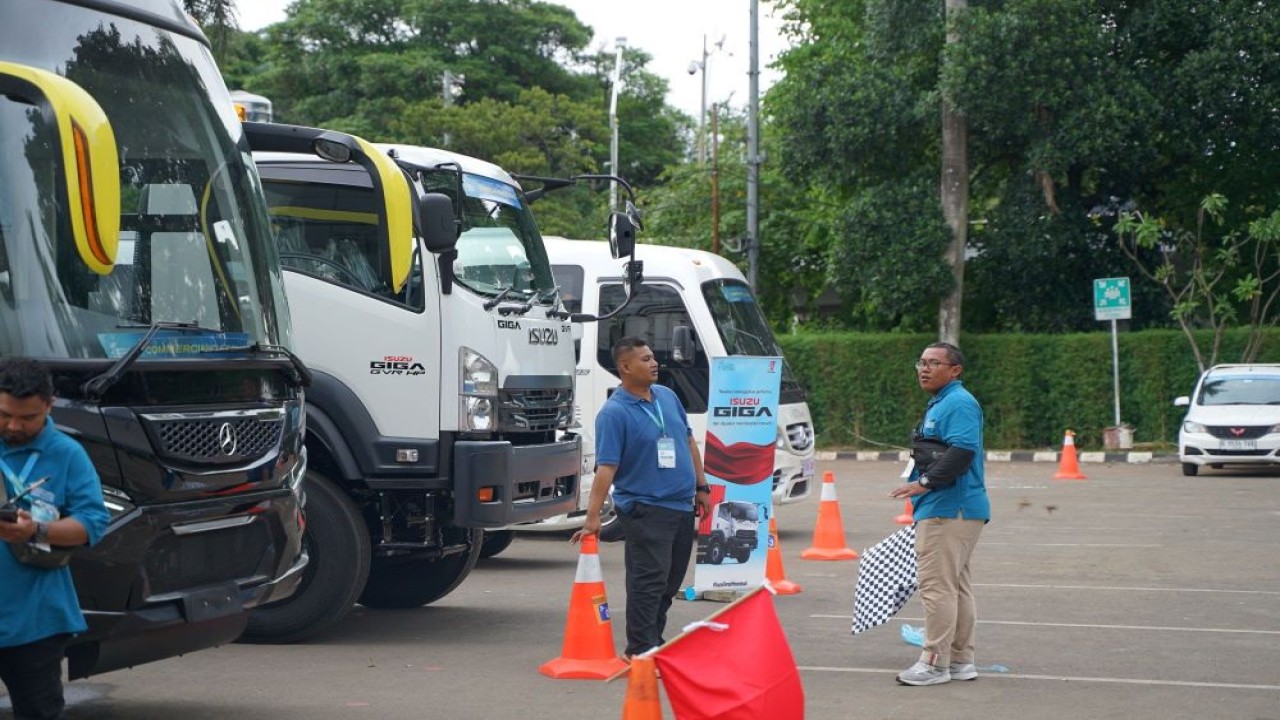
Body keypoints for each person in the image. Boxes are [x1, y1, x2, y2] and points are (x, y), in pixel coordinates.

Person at [572, 337, 711, 659]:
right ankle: (640, 649)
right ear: (625, 367)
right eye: (645, 359)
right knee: (648, 583)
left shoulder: (667, 396)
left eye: (652, 357)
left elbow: (688, 442)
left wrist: (702, 487)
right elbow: (606, 468)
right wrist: (593, 517)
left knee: (669, 583)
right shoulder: (614, 413)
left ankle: (653, 642)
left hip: (679, 506)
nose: (654, 363)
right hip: (645, 509)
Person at [0, 359, 108, 719]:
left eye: (27, 417)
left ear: (49, 404)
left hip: (35, 621)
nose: (14, 425)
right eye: (4, 414)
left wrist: (36, 530)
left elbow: (93, 523)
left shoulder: (66, 454)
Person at [889, 342, 990, 686]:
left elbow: (963, 450)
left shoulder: (958, 402)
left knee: (937, 588)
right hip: (955, 508)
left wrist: (926, 483)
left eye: (934, 363)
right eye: (921, 362)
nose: (924, 368)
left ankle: (934, 663)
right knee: (956, 587)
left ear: (955, 370)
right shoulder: (943, 402)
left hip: (949, 509)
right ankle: (961, 661)